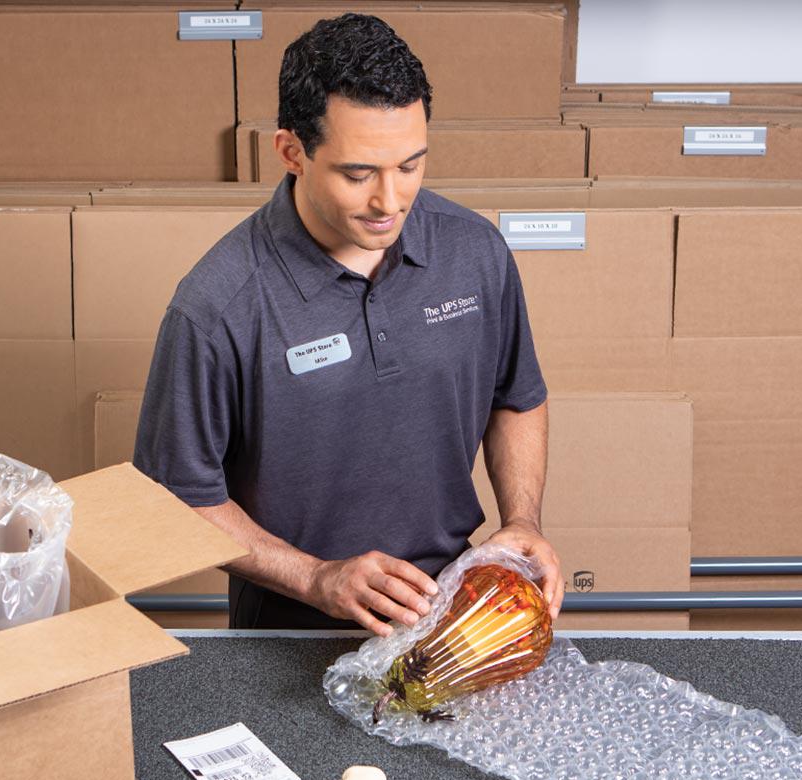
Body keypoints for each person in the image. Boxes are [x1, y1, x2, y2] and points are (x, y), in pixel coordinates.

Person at [134, 13, 564, 634]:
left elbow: (516, 398)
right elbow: (174, 497)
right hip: (289, 633)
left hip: (460, 614)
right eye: (359, 174)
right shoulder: (218, 306)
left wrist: (522, 520)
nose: (390, 202)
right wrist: (315, 576)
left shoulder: (476, 253)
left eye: (411, 165)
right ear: (291, 152)